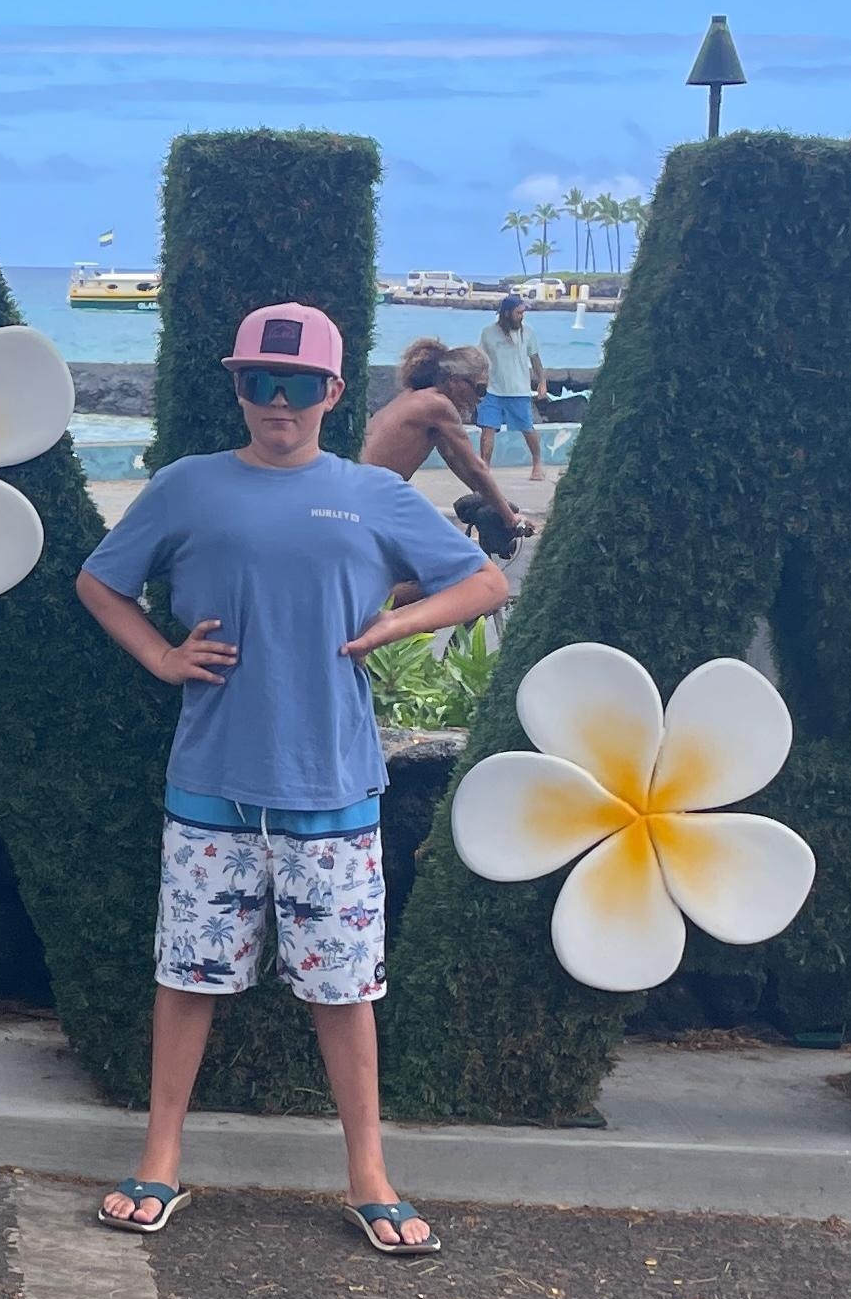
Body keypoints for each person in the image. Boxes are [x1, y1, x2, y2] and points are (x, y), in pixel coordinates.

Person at [75, 303, 510, 1246]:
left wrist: (395, 624)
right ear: (236, 386)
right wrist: (159, 656)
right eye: (259, 382)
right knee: (187, 979)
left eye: (300, 383)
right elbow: (100, 580)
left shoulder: (372, 493)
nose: (279, 401)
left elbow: (486, 581)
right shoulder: (189, 486)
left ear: (334, 392)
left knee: (344, 993)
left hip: (336, 792)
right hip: (210, 787)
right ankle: (160, 1161)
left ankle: (370, 1174)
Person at [360, 339, 533, 554]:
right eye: (480, 389)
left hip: (367, 493)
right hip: (376, 497)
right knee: (451, 564)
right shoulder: (439, 406)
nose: (481, 399)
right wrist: (511, 519)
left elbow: (456, 461)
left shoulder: (414, 398)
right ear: (455, 381)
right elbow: (475, 467)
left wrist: (499, 505)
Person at [473, 295, 547, 476]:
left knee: (527, 429)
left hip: (519, 390)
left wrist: (542, 383)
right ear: (507, 313)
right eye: (518, 313)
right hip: (493, 390)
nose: (522, 316)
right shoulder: (488, 332)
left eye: (523, 313)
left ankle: (537, 464)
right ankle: (485, 469)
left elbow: (535, 360)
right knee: (487, 431)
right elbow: (481, 359)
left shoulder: (528, 332)